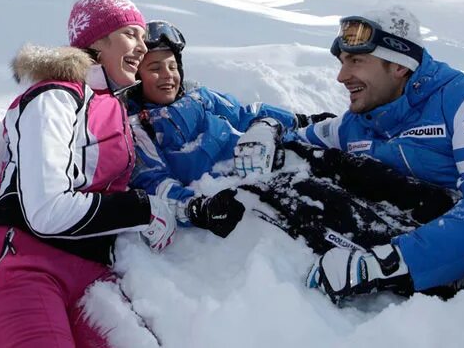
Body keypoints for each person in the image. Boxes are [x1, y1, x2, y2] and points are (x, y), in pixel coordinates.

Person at [294, 6, 464, 304]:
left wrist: (387, 263)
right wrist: (266, 126)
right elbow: (302, 132)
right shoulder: (359, 122)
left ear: (399, 66)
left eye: (356, 61)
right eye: (343, 61)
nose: (341, 76)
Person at [0, 0, 177, 347]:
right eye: (130, 34)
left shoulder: (112, 106)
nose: (142, 46)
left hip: (91, 274)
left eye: (143, 36)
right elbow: (46, 210)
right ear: (96, 41)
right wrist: (142, 209)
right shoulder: (55, 97)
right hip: (22, 264)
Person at [128, 20, 335, 238]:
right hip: (236, 191)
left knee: (331, 171)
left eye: (172, 66)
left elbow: (244, 114)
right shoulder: (139, 130)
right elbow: (155, 184)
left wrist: (298, 120)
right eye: (155, 69)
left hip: (268, 155)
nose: (168, 74)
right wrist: (197, 209)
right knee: (316, 212)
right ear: (137, 78)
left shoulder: (199, 97)